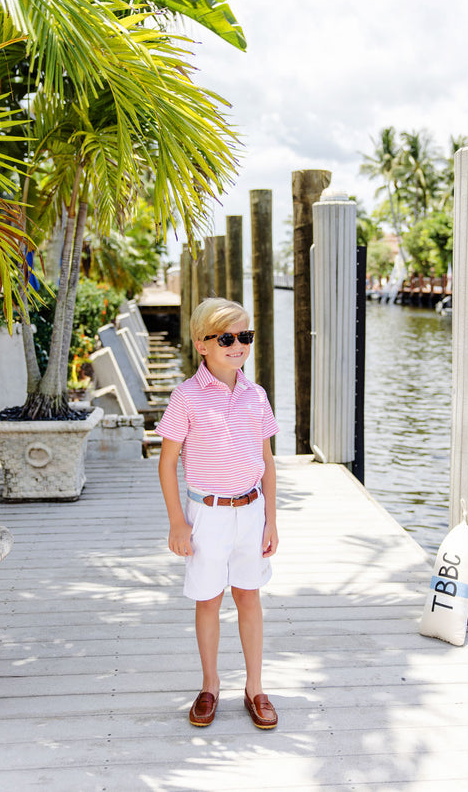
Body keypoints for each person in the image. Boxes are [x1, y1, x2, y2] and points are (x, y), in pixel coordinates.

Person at [157, 297, 279, 729]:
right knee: (208, 600)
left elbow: (266, 461)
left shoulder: (256, 395)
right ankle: (210, 685)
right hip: (206, 513)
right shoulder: (186, 397)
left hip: (251, 510)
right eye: (226, 338)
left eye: (245, 336)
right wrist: (177, 521)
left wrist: (272, 520)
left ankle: (255, 686)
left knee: (249, 596)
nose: (237, 345)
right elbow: (167, 462)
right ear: (201, 344)